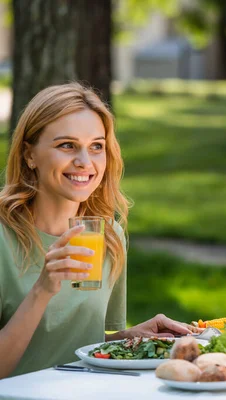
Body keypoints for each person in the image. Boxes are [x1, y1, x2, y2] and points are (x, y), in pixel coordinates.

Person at [0, 83, 200, 378]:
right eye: (66, 145)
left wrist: (129, 339)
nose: (85, 162)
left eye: (96, 146)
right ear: (30, 155)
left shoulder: (107, 237)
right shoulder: (4, 238)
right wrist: (42, 290)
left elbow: (75, 347)